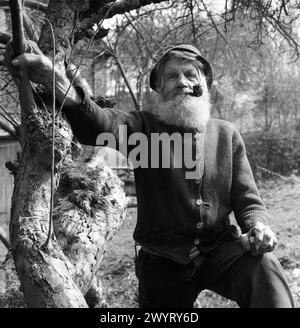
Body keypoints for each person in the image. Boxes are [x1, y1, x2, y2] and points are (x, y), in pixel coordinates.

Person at [11, 43, 294, 308]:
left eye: (190, 75)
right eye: (171, 77)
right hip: (163, 261)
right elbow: (101, 123)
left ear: (205, 85)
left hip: (219, 248)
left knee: (264, 269)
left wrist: (257, 226)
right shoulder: (143, 128)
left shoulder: (226, 135)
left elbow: (247, 199)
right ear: (159, 89)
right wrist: (60, 85)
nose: (182, 82)